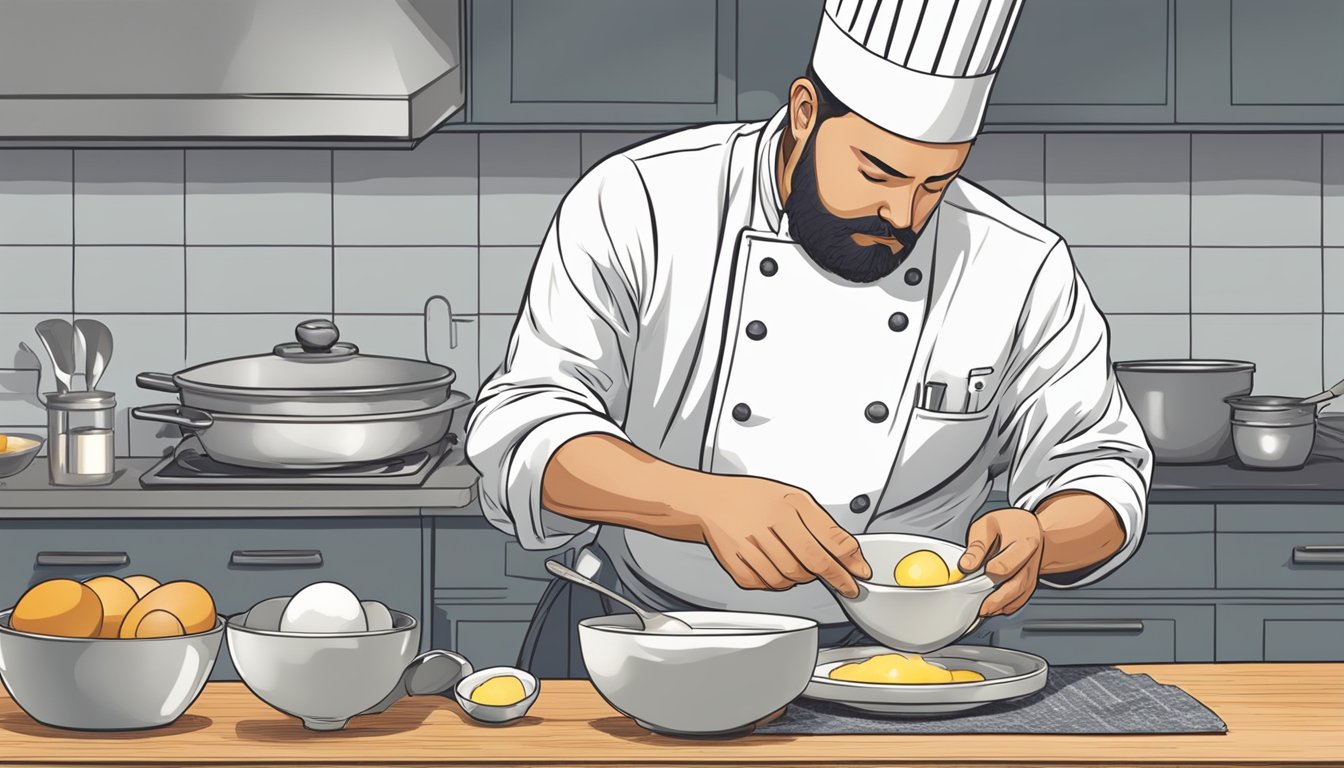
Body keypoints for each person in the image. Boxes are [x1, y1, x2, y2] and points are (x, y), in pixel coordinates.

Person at [466, 0, 1153, 678]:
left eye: (935, 184)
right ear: (803, 113)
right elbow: (527, 430)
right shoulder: (641, 202)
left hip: (899, 667)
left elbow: (1101, 470)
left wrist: (1041, 537)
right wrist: (699, 504)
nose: (902, 214)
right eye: (877, 172)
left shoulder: (1018, 265)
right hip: (648, 634)